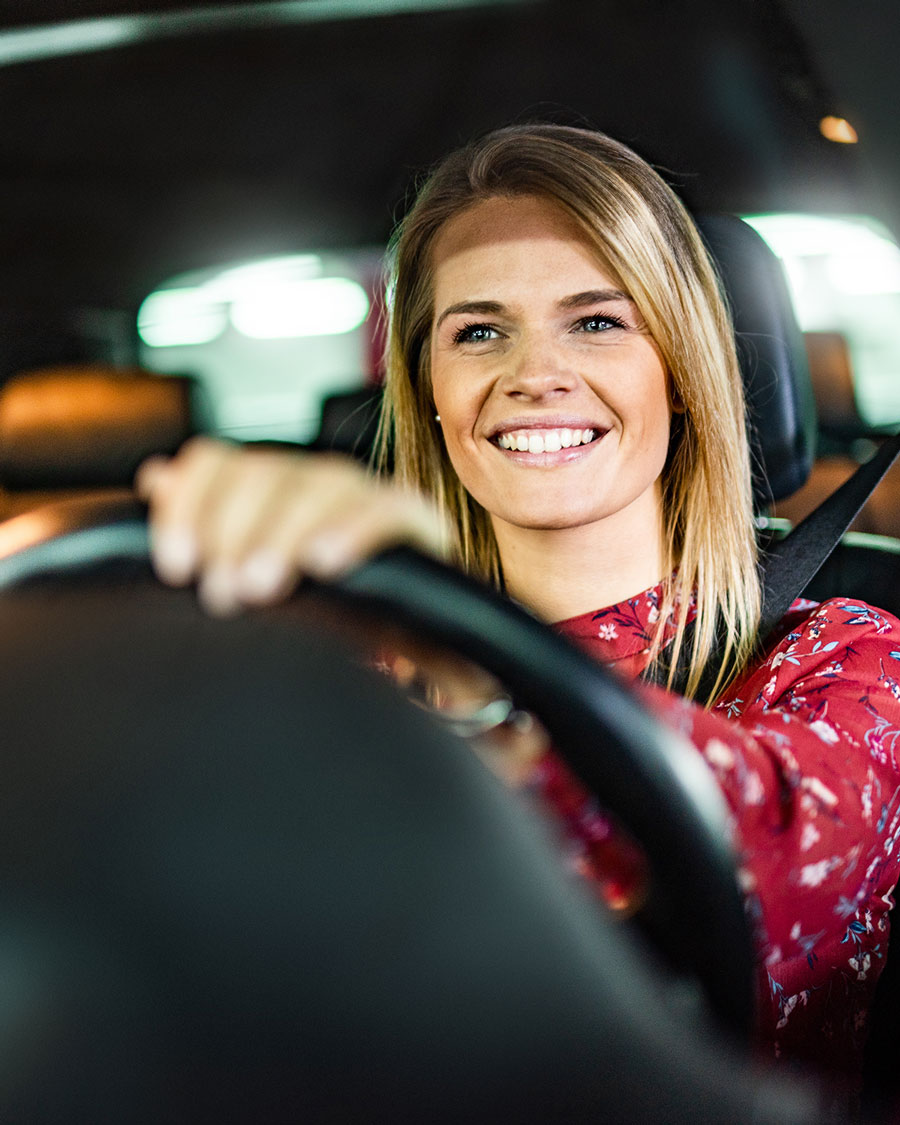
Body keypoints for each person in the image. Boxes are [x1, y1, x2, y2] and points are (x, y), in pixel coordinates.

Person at [137, 124, 900, 1095]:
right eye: (479, 331)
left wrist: (475, 673)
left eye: (596, 321)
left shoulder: (843, 659)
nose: (534, 373)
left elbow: (771, 891)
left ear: (680, 371)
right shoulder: (334, 678)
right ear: (430, 390)